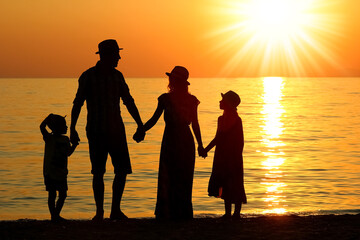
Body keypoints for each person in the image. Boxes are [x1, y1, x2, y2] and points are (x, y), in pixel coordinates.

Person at [70, 39, 145, 221]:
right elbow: (78, 103)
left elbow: (128, 101)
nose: (119, 57)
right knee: (99, 171)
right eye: (117, 54)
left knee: (120, 170)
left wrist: (140, 124)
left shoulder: (117, 76)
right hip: (98, 130)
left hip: (114, 130)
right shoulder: (88, 76)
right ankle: (101, 212)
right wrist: (72, 128)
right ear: (108, 56)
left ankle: (114, 210)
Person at [137, 66, 204, 220]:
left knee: (171, 175)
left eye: (171, 78)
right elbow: (195, 124)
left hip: (172, 138)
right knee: (182, 175)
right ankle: (182, 212)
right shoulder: (188, 100)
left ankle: (168, 212)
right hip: (184, 139)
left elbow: (154, 119)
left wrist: (142, 130)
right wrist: (199, 144)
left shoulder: (167, 99)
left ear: (174, 81)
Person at [202, 90, 247, 219]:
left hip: (231, 156)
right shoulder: (221, 119)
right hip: (223, 155)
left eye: (222, 100)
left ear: (228, 103)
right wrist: (206, 149)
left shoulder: (236, 120)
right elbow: (218, 138)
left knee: (235, 182)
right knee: (225, 182)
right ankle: (229, 213)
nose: (220, 102)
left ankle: (236, 213)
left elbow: (240, 141)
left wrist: (206, 149)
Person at [40, 114, 78, 222]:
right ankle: (54, 216)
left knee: (63, 194)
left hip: (61, 172)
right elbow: (42, 127)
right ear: (57, 127)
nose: (66, 127)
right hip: (50, 172)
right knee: (52, 194)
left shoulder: (66, 139)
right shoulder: (49, 138)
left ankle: (55, 215)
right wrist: (48, 117)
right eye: (64, 125)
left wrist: (74, 145)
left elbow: (68, 153)